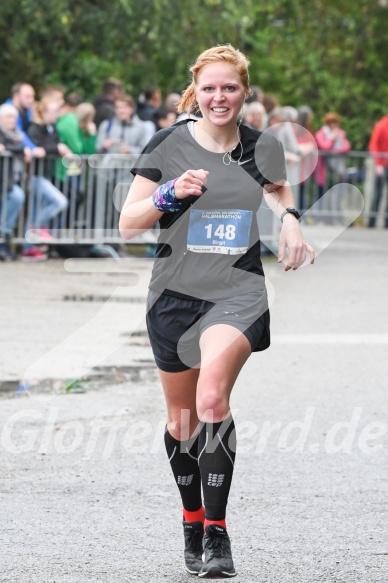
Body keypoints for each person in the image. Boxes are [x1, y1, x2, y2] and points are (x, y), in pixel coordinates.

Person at [120, 45, 314, 578]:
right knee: (180, 423)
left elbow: (276, 189)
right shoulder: (168, 144)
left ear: (244, 92)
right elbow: (128, 224)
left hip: (237, 292)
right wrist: (167, 194)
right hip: (174, 295)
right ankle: (191, 517)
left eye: (229, 87)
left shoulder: (262, 146)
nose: (219, 96)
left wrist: (291, 219)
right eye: (209, 88)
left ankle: (217, 535)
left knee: (211, 400)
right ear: (196, 91)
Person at [22, 98, 70, 260]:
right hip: (35, 175)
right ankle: (36, 229)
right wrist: (56, 148)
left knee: (34, 211)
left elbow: (49, 148)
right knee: (60, 202)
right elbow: (37, 148)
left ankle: (28, 248)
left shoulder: (52, 128)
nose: (57, 116)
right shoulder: (35, 128)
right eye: (54, 112)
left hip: (45, 174)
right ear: (44, 112)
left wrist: (58, 149)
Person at [0, 104, 27, 261]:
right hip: (4, 179)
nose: (12, 120)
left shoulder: (17, 134)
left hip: (10, 179)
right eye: (9, 117)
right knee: (17, 196)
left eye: (14, 117)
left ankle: (4, 236)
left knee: (16, 198)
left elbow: (19, 147)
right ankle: (3, 236)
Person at [314, 112, 351, 201]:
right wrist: (332, 138)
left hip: (337, 170)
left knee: (337, 194)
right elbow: (324, 147)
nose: (333, 125)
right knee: (321, 194)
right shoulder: (320, 134)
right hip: (323, 169)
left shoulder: (340, 133)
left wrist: (334, 151)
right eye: (331, 123)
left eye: (335, 122)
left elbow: (346, 147)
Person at [368, 113, 388, 228]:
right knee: (378, 194)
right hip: (383, 165)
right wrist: (379, 163)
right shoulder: (381, 125)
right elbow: (374, 145)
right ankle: (371, 223)